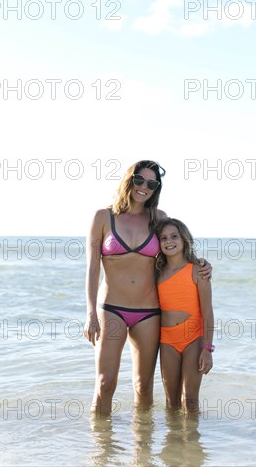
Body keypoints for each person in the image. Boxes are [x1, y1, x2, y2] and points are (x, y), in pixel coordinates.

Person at [83, 160, 211, 416]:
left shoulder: (158, 218)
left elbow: (176, 250)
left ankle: (143, 452)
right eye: (140, 180)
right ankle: (100, 450)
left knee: (143, 387)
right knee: (105, 384)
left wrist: (202, 264)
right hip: (112, 310)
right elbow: (92, 268)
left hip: (149, 312)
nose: (144, 187)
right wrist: (90, 314)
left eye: (152, 184)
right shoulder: (102, 217)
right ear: (129, 180)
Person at [156, 218, 214, 413]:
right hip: (167, 340)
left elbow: (207, 311)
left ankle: (192, 442)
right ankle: (173, 442)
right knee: (171, 402)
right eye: (163, 238)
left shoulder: (198, 270)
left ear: (184, 240)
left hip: (193, 339)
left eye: (174, 236)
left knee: (189, 401)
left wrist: (207, 348)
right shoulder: (157, 272)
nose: (168, 241)